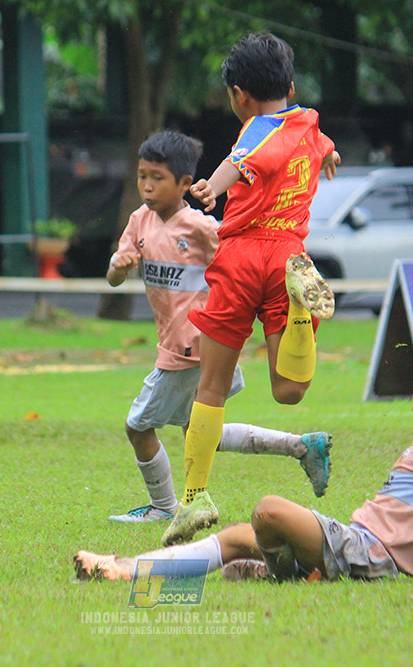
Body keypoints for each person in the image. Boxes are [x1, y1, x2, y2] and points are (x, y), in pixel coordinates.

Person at [75, 344, 413, 587]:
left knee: (268, 510)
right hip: (358, 545)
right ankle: (124, 569)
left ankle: (288, 571)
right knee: (238, 536)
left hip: (369, 555)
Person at [162, 32, 340, 546]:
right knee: (289, 391)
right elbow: (320, 145)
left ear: (238, 95)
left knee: (211, 387)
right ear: (290, 84)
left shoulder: (257, 128)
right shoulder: (308, 124)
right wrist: (327, 157)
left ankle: (193, 500)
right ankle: (303, 316)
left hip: (241, 257)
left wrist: (211, 188)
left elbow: (242, 158)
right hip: (289, 257)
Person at [106, 129, 332, 524]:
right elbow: (113, 276)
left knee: (137, 427)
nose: (146, 186)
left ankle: (163, 507)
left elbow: (239, 258)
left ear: (184, 184)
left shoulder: (200, 227)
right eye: (142, 175)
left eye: (157, 178)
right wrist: (117, 267)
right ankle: (301, 446)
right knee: (202, 427)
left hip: (192, 347)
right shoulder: (139, 222)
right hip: (178, 345)